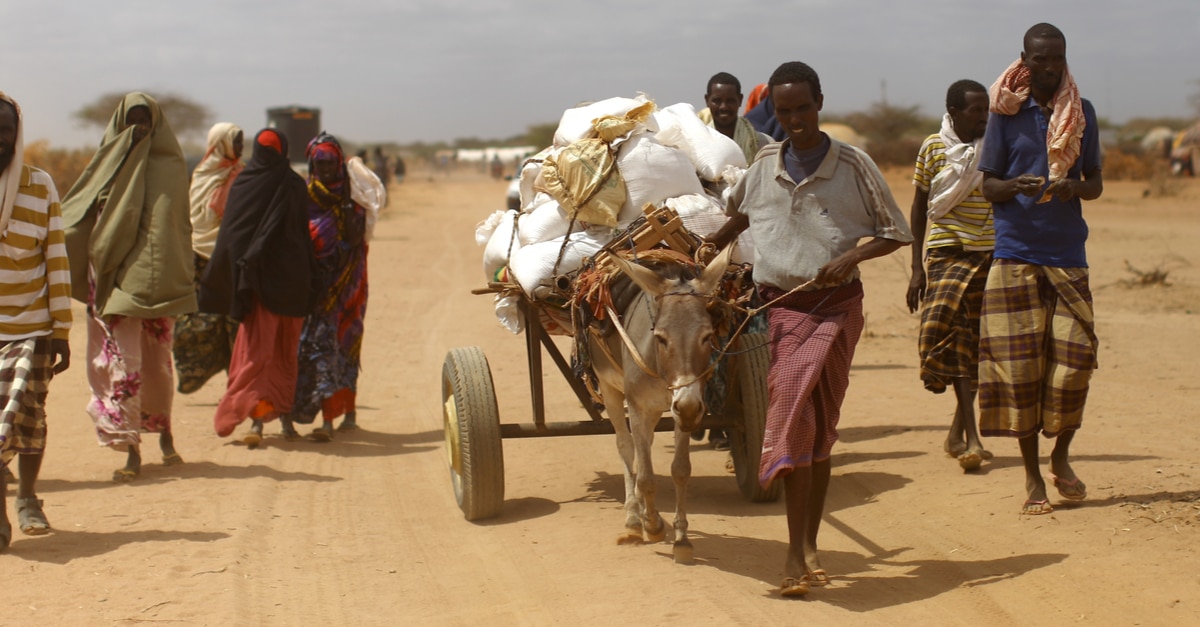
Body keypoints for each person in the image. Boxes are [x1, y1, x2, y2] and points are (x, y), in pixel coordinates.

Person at [708, 62, 913, 597]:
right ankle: (796, 554)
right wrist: (706, 248)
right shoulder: (763, 164)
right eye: (784, 111)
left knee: (818, 432)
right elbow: (740, 214)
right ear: (772, 111)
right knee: (800, 424)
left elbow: (896, 231)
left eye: (803, 108)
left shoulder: (853, 164)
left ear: (820, 101)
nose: (795, 119)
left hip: (838, 311)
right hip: (783, 313)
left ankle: (806, 548)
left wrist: (852, 257)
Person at [977, 23, 1103, 515]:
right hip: (1014, 254)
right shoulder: (1004, 115)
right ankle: (1032, 475)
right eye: (1040, 60)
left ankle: (1062, 455)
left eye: (1057, 59)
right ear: (1024, 59)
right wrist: (1016, 186)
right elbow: (987, 186)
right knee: (1021, 372)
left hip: (1068, 255)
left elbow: (1094, 183)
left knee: (1074, 366)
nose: (1049, 68)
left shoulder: (1083, 113)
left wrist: (1072, 188)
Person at [61, 92, 196, 483]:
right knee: (125, 364)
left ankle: (165, 434)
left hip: (158, 281)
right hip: (111, 277)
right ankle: (132, 447)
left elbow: (176, 228)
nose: (138, 128)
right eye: (131, 120)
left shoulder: (170, 167)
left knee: (157, 363)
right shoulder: (106, 164)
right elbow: (78, 213)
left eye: (145, 121)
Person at [200, 129, 316, 447]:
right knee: (282, 352)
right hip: (290, 281)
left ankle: (260, 419)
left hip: (263, 284)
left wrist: (230, 278)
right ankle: (271, 419)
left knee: (258, 352)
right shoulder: (293, 183)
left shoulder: (245, 183)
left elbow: (231, 237)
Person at [906, 79, 994, 472]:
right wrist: (915, 269)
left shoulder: (995, 147)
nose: (983, 117)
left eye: (986, 110)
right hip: (945, 253)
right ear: (954, 112)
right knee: (943, 333)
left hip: (989, 254)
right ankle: (968, 436)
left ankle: (963, 434)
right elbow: (920, 205)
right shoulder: (933, 147)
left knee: (976, 345)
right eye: (976, 111)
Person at [0, 93, 72, 551]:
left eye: (4, 128)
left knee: (24, 415)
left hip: (32, 326)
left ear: (16, 133)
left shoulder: (40, 185)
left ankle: (27, 498)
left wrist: (61, 329)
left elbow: (56, 259)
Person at [282, 133, 369, 441]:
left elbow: (359, 239)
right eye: (320, 163)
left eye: (330, 163)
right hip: (314, 286)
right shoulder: (304, 195)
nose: (326, 169)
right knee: (316, 348)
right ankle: (322, 415)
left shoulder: (352, 196)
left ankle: (346, 414)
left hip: (347, 286)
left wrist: (348, 223)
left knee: (345, 343)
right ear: (311, 164)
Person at [173, 122, 244, 394]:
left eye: (240, 142)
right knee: (194, 320)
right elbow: (194, 216)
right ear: (220, 143)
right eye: (236, 142)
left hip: (227, 256)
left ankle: (235, 380)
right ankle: (195, 371)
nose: (239, 148)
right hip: (197, 254)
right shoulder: (201, 174)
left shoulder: (240, 174)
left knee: (233, 321)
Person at [697, 72, 774, 165]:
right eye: (717, 101)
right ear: (707, 100)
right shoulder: (697, 146)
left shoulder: (763, 144)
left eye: (730, 101)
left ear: (740, 100)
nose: (723, 107)